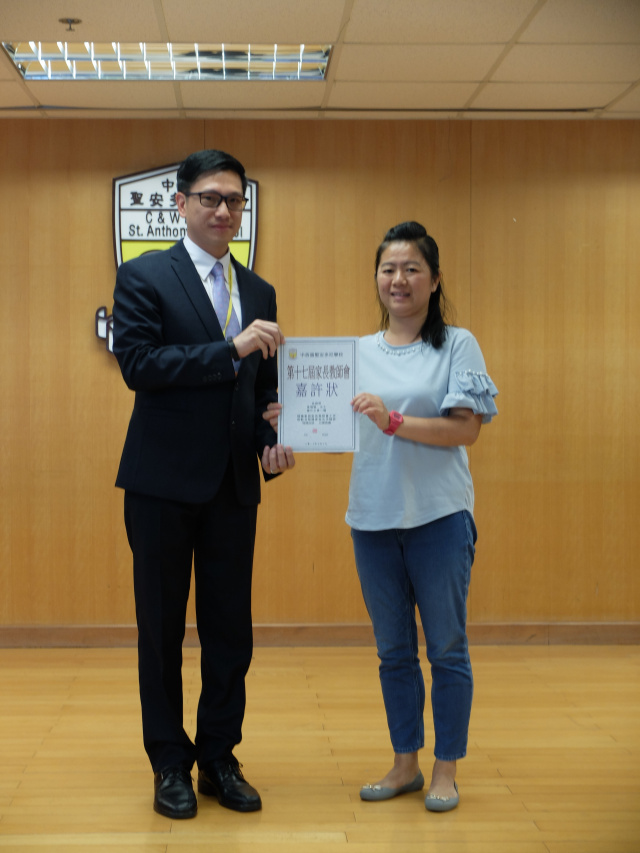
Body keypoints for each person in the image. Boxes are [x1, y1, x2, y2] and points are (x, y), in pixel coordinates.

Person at [112, 149, 295, 820]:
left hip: (232, 485)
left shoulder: (260, 290)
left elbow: (263, 390)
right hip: (160, 484)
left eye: (234, 200)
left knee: (229, 631)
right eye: (210, 198)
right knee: (161, 631)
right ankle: (169, 762)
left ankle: (219, 755)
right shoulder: (143, 275)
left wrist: (272, 438)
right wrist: (231, 349)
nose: (223, 210)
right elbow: (140, 365)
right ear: (181, 203)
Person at [347, 221, 498, 813]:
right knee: (393, 651)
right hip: (372, 520)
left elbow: (466, 429)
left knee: (447, 649)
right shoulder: (356, 353)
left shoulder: (457, 345)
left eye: (412, 269)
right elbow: (336, 429)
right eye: (388, 269)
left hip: (439, 518)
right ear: (376, 278)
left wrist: (394, 421)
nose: (399, 279)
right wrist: (291, 423)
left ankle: (445, 768)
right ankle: (405, 762)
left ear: (434, 281)